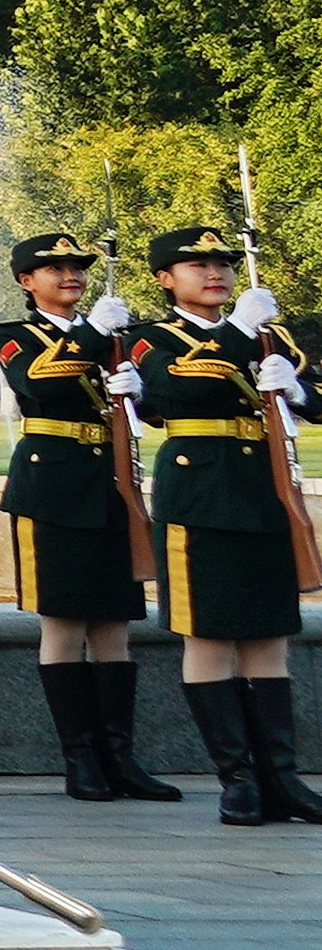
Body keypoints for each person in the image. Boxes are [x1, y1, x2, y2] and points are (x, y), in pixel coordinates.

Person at [120, 230, 322, 825]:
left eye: (223, 264)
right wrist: (237, 329)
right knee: (207, 636)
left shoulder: (270, 335)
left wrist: (296, 388)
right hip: (199, 494)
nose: (216, 273)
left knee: (268, 637)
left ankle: (280, 777)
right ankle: (237, 780)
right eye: (198, 265)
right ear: (165, 279)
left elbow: (317, 397)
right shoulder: (150, 338)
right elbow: (173, 388)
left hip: (265, 489)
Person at [0, 233, 172, 800]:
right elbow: (37, 381)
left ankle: (120, 757)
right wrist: (93, 333)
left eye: (77, 267)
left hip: (111, 485)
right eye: (55, 269)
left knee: (114, 625)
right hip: (53, 488)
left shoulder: (116, 335)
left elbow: (156, 409)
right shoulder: (16, 335)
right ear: (27, 282)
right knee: (65, 623)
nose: (70, 275)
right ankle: (81, 760)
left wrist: (139, 391)